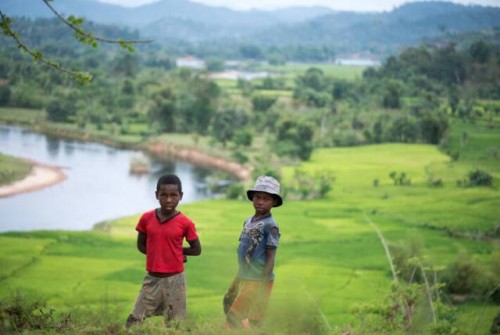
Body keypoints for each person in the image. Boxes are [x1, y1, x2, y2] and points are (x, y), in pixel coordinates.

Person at [126, 174, 202, 328]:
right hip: (151, 279)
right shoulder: (146, 218)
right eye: (164, 195)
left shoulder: (185, 222)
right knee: (133, 322)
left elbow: (196, 249)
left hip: (176, 281)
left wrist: (177, 252)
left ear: (180, 196)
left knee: (175, 325)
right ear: (156, 195)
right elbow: (141, 245)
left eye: (173, 195)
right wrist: (159, 254)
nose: (168, 200)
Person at [223, 175, 283, 329]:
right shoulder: (248, 221)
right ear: (252, 198)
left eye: (266, 199)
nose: (260, 201)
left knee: (238, 316)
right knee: (228, 300)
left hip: (258, 278)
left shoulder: (271, 226)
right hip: (243, 273)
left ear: (274, 202)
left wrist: (263, 281)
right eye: (257, 197)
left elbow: (271, 255)